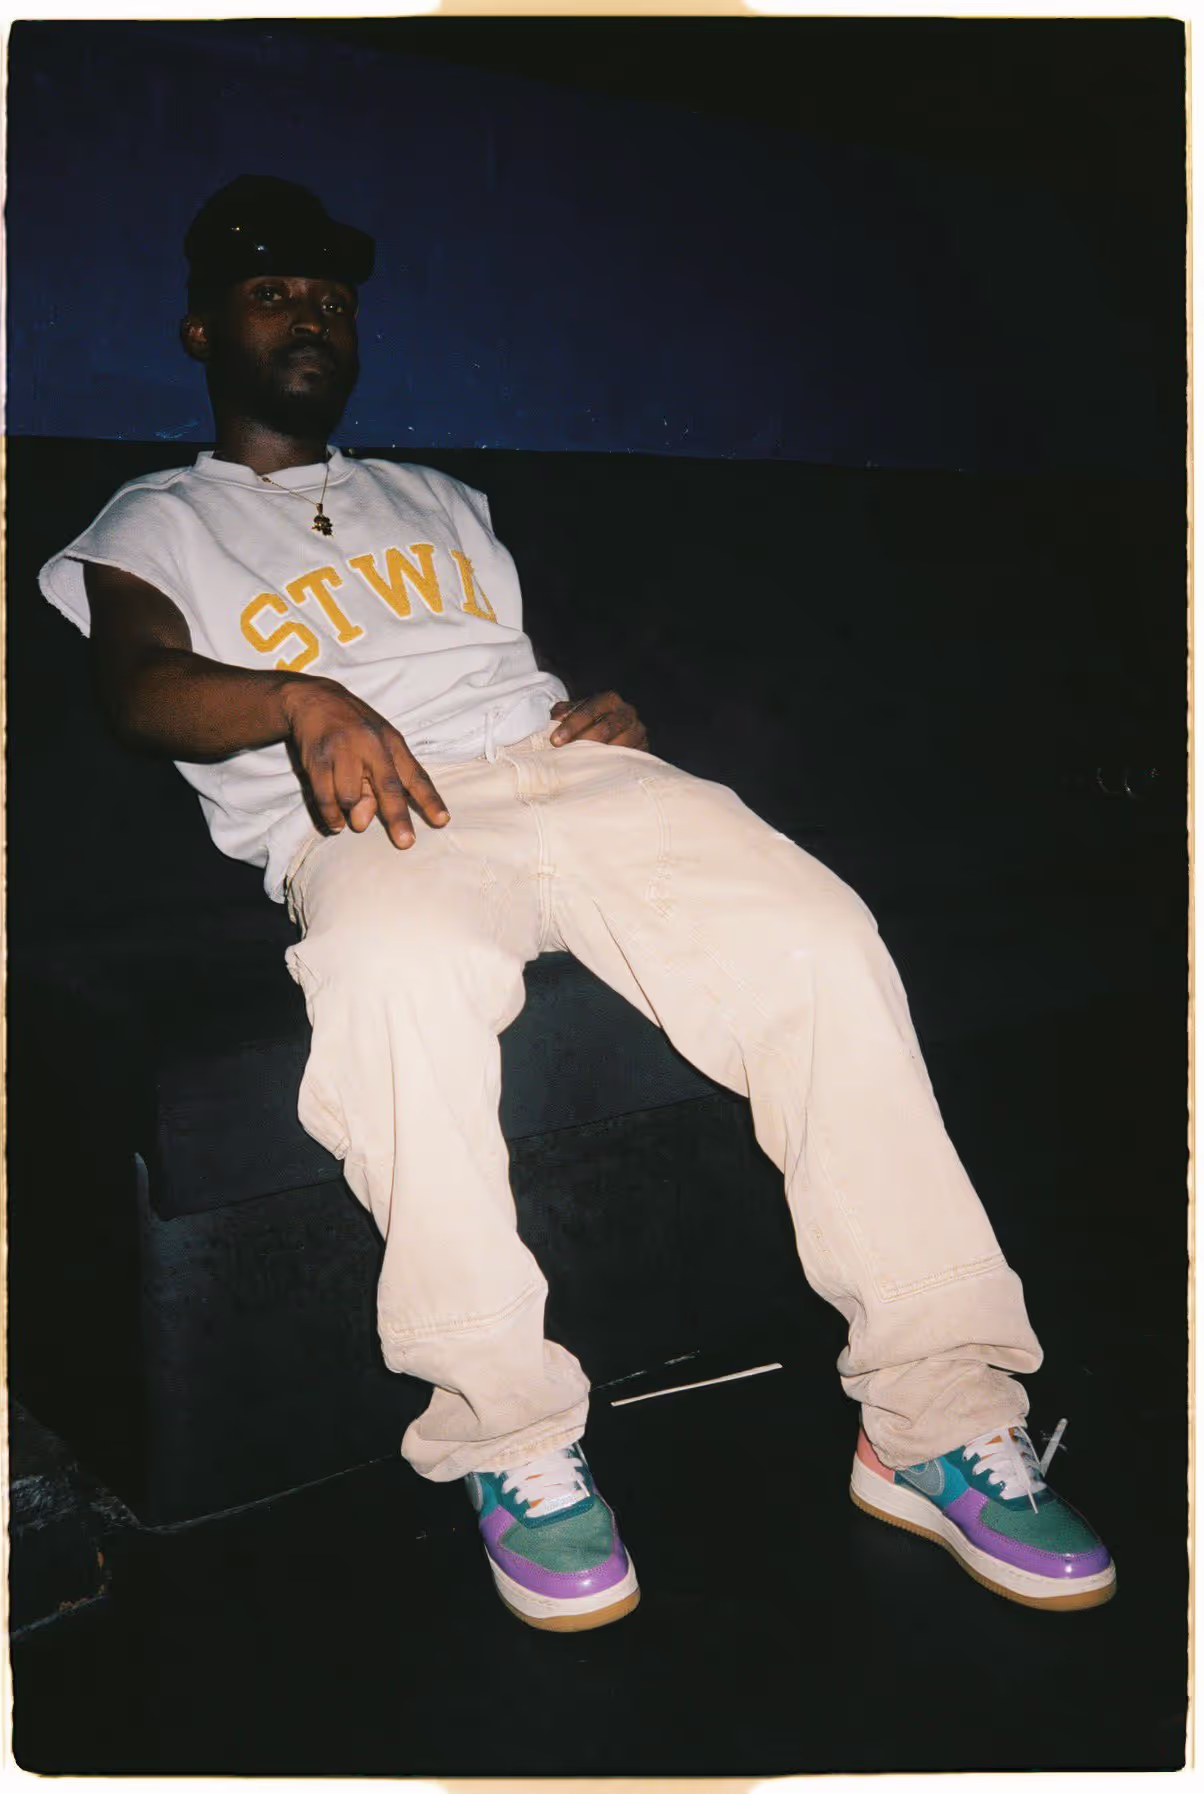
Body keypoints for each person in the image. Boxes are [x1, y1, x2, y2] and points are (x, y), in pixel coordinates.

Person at [39, 176, 1115, 1631]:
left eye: (335, 297)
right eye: (275, 291)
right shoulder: (149, 520)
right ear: (199, 326)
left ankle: (934, 1417)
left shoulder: (447, 500)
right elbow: (138, 693)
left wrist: (594, 709)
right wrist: (302, 697)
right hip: (381, 811)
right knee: (389, 988)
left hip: (564, 774)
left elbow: (494, 672)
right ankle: (511, 1440)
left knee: (824, 941)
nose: (312, 314)